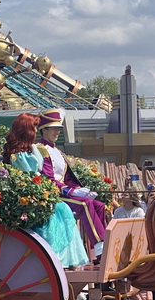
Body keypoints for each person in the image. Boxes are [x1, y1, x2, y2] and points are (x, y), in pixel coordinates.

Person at [3, 113, 90, 268]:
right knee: (59, 210)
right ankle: (56, 258)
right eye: (35, 127)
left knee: (62, 209)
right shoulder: (25, 152)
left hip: (34, 191)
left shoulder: (24, 150)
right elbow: (34, 174)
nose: (37, 131)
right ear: (28, 129)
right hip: (29, 193)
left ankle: (60, 260)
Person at [36, 108, 108, 256]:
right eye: (54, 129)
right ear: (44, 130)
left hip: (63, 191)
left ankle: (97, 250)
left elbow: (67, 178)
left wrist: (83, 191)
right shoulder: (41, 150)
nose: (57, 132)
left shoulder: (58, 152)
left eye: (58, 129)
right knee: (84, 204)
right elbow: (48, 180)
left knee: (99, 206)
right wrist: (73, 191)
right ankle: (100, 245)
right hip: (52, 195)